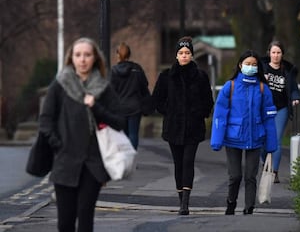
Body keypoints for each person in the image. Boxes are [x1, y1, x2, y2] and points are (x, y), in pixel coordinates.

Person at [39, 37, 126, 232]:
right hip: (65, 162)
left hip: (92, 163)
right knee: (65, 222)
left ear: (95, 58)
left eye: (87, 55)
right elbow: (45, 120)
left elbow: (120, 122)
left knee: (85, 218)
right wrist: (57, 144)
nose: (83, 59)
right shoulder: (59, 85)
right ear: (71, 58)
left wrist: (96, 107)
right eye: (78, 55)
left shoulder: (104, 87)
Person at [152, 36, 214, 215]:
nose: (184, 56)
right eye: (181, 53)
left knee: (188, 161)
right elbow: (158, 99)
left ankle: (186, 202)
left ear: (192, 55)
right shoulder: (166, 76)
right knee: (178, 163)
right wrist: (169, 111)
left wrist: (200, 113)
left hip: (193, 126)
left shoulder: (201, 76)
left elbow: (207, 101)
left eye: (187, 53)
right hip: (173, 126)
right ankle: (181, 200)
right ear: (176, 55)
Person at [210, 49, 277, 215]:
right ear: (240, 65)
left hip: (256, 137)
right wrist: (217, 140)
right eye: (247, 64)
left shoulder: (263, 88)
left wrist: (271, 143)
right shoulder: (230, 86)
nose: (251, 67)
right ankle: (231, 202)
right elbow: (220, 114)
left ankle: (249, 207)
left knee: (250, 176)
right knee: (235, 176)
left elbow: (269, 118)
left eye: (254, 65)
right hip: (233, 137)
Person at [261, 41, 300, 183]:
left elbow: (294, 88)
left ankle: (274, 171)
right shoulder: (262, 68)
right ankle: (265, 163)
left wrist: (295, 98)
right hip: (264, 109)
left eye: (278, 53)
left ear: (282, 54)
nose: (276, 55)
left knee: (276, 141)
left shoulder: (287, 70)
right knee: (262, 140)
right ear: (269, 53)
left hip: (281, 108)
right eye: (273, 52)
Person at [110, 42, 151, 150]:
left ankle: (123, 158)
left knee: (121, 135)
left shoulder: (113, 71)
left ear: (118, 55)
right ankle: (131, 157)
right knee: (133, 134)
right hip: (135, 107)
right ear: (129, 54)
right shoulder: (137, 69)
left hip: (119, 108)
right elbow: (144, 86)